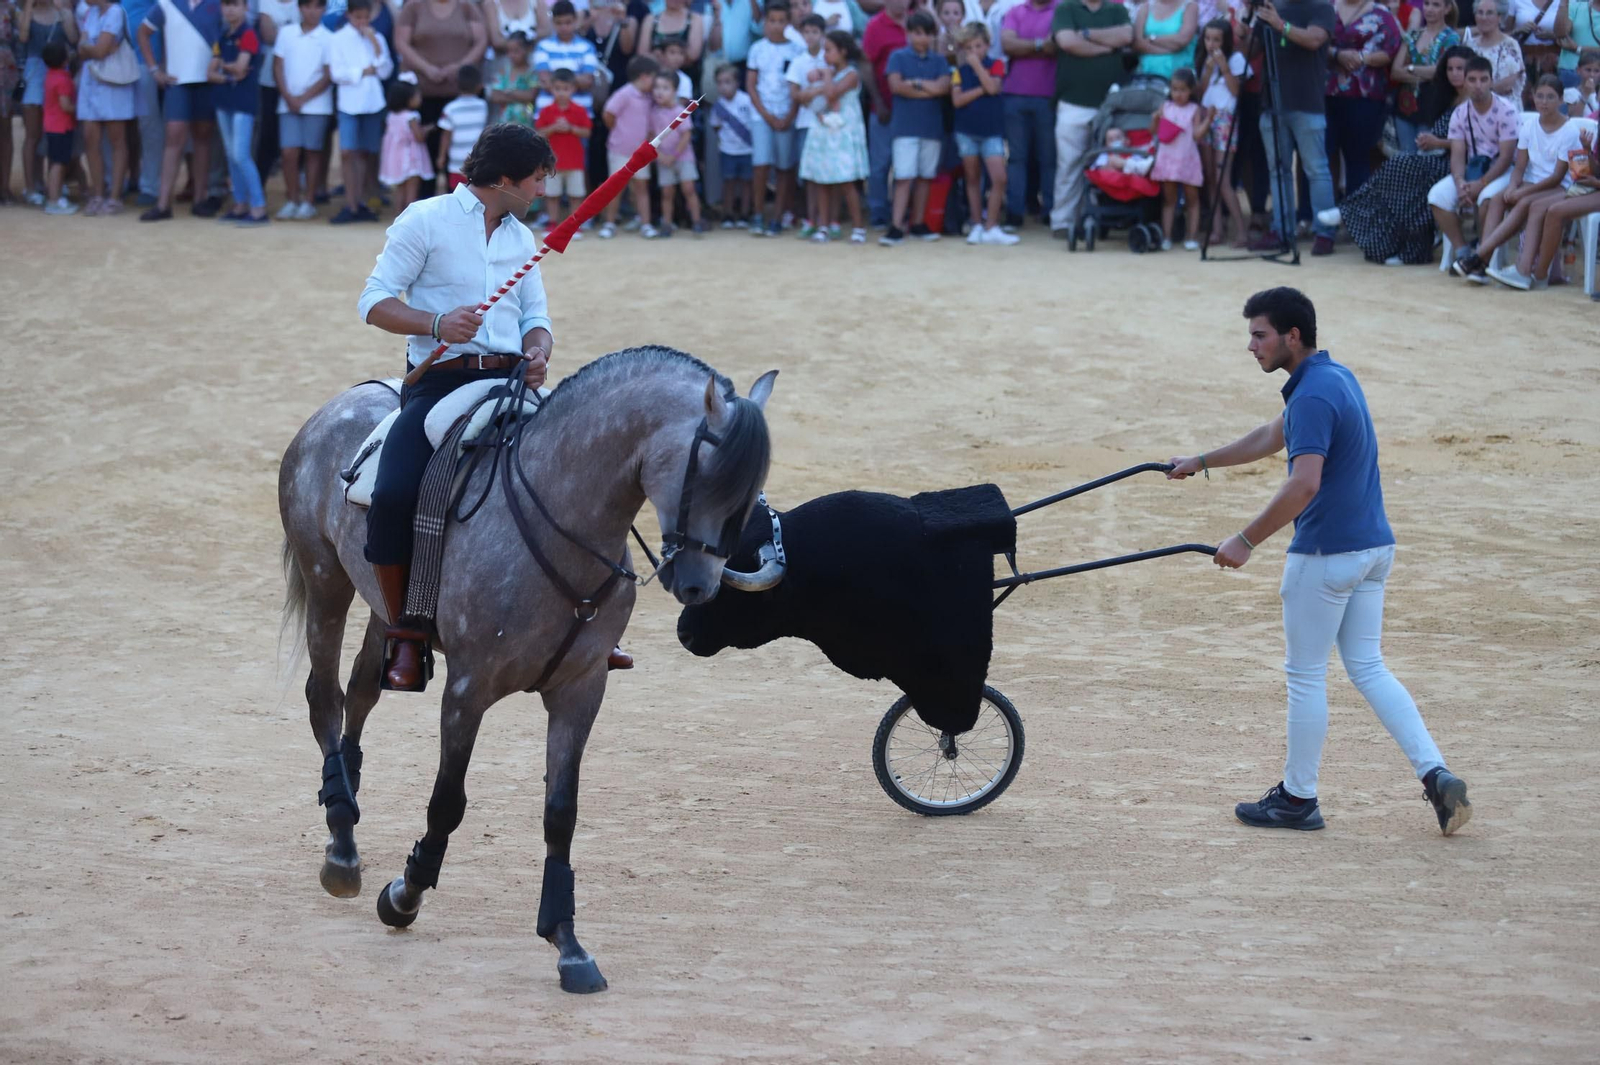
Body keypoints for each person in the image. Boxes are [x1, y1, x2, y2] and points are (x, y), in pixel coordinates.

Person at [1165, 287, 1473, 837]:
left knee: (1306, 676)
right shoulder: (1333, 378)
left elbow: (1303, 484)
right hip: (1373, 551)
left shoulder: (1310, 396)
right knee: (1369, 668)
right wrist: (1202, 461)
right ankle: (1436, 775)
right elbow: (1269, 436)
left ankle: (1297, 799)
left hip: (1326, 558)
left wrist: (1245, 540)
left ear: (1293, 336)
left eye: (1259, 335)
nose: (1251, 346)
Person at [357, 124, 560, 691]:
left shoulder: (523, 238)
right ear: (504, 180)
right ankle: (404, 634)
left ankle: (586, 619)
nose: (544, 189)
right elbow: (372, 301)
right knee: (394, 494)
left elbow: (535, 318)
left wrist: (538, 351)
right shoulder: (424, 220)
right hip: (438, 385)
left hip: (512, 386)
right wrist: (437, 324)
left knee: (580, 474)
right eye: (538, 178)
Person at [1322, 44, 1473, 261]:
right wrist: (1430, 142)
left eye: (1460, 68)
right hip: (1435, 158)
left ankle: (1347, 212)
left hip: (1459, 163)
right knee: (1403, 184)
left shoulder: (1474, 100)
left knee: (1402, 164)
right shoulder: (1447, 97)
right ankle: (1408, 249)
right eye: (1450, 69)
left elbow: (1477, 142)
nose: (1455, 74)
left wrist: (1437, 142)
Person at [1456, 75, 1583, 286]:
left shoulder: (1569, 131)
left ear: (1561, 101)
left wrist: (1523, 192)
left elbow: (1557, 177)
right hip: (1532, 183)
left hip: (1560, 186)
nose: (1544, 102)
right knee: (1498, 199)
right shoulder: (1529, 126)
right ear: (1532, 97)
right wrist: (1514, 185)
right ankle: (1483, 264)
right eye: (1540, 96)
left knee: (1525, 202)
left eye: (1551, 97)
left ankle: (1484, 257)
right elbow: (1520, 167)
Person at [1247, 0, 1338, 255]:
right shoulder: (1271, 6)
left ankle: (1324, 232)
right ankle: (1281, 230)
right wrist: (1248, 20)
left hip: (1306, 102)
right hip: (1271, 103)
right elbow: (1250, 51)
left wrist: (1279, 24)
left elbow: (1314, 40)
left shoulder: (1320, 7)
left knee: (1316, 169)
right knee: (1278, 170)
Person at [1047, 0, 1132, 238]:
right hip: (1073, 102)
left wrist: (1086, 34)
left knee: (1107, 164)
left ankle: (1095, 219)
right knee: (1069, 165)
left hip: (1110, 106)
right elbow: (1067, 42)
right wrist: (1106, 47)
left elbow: (1126, 36)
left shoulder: (1116, 9)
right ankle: (1063, 222)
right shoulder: (1066, 9)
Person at [1426, 53, 1519, 261]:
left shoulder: (1506, 110)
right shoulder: (1459, 113)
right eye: (1473, 80)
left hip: (1503, 171)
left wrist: (1481, 183)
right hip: (1474, 169)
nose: (1478, 85)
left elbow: (1506, 158)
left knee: (1487, 198)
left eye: (1484, 79)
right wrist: (1460, 182)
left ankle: (1484, 254)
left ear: (1491, 81)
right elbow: (1458, 154)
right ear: (1465, 82)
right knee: (1437, 197)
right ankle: (1462, 251)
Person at [138, 0, 223, 220]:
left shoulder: (218, 3)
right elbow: (143, 33)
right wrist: (154, 70)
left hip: (207, 81)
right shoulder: (166, 3)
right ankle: (163, 203)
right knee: (174, 137)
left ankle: (199, 199)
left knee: (202, 138)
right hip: (178, 81)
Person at [394, 0, 487, 197]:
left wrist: (460, 67)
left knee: (462, 154)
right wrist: (425, 67)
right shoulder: (414, 6)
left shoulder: (467, 6)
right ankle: (424, 206)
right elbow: (401, 42)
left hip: (460, 95)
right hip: (422, 95)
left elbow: (481, 41)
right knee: (424, 153)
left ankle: (463, 206)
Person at [1321, 0, 1401, 208]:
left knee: (1358, 157)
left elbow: (1391, 49)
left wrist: (1362, 58)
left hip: (1365, 96)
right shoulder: (1327, 7)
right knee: (1325, 154)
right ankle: (1325, 214)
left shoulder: (1381, 14)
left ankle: (1356, 217)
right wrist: (1337, 54)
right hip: (1326, 93)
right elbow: (1316, 42)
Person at [797, 28, 870, 241]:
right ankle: (824, 227)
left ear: (843, 51)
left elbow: (831, 93)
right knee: (822, 181)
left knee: (846, 182)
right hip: (826, 133)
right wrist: (819, 84)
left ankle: (858, 229)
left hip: (844, 133)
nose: (825, 55)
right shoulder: (832, 74)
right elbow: (805, 96)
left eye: (828, 50)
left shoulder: (851, 74)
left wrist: (825, 77)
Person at [951, 23, 1017, 242]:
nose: (974, 52)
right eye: (969, 48)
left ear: (987, 45)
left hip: (991, 131)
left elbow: (993, 87)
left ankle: (992, 226)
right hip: (966, 131)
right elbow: (957, 100)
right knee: (972, 178)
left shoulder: (997, 64)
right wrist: (981, 89)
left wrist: (978, 69)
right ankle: (976, 224)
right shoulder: (958, 72)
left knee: (999, 178)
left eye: (978, 46)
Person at [330, 0, 391, 223]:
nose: (362, 22)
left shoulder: (377, 37)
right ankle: (350, 202)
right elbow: (337, 73)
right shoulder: (337, 39)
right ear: (349, 16)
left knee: (365, 152)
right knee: (347, 152)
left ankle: (360, 202)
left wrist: (374, 41)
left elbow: (385, 70)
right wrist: (364, 71)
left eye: (366, 18)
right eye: (358, 18)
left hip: (372, 101)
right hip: (349, 102)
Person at [269, 0, 332, 220]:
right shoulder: (286, 33)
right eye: (307, 6)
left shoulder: (329, 38)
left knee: (313, 152)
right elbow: (277, 65)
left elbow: (328, 74)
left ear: (324, 9)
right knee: (289, 153)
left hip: (317, 105)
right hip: (288, 103)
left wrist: (302, 98)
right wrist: (288, 96)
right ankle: (292, 199)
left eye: (317, 6)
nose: (312, 11)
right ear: (300, 8)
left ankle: (309, 201)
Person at [999, 0, 1058, 230]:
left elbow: (1056, 46)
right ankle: (1015, 212)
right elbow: (1007, 45)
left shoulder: (1061, 10)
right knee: (1017, 158)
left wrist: (1025, 45)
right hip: (1014, 94)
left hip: (1048, 95)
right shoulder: (1015, 11)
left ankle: (1050, 211)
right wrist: (1040, 45)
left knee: (1048, 159)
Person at [75, 0, 137, 215]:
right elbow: (88, 48)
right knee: (90, 139)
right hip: (91, 81)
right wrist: (95, 49)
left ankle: (114, 197)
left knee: (117, 139)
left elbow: (96, 50)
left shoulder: (116, 12)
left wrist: (91, 49)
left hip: (112, 83)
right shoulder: (90, 13)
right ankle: (98, 195)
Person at [209, 0, 268, 223]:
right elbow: (210, 73)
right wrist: (229, 72)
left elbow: (240, 68)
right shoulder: (223, 35)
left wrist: (222, 67)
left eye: (235, 5)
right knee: (232, 156)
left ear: (245, 8)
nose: (230, 9)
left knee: (240, 155)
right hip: (226, 100)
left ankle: (258, 206)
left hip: (243, 102)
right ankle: (241, 204)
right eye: (226, 5)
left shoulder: (249, 34)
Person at [747, 0, 802, 235]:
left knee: (784, 168)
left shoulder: (796, 50)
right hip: (762, 115)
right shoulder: (757, 49)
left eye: (781, 21)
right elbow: (751, 86)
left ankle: (777, 217)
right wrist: (767, 115)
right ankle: (758, 214)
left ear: (788, 23)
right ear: (765, 22)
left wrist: (789, 115)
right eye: (772, 21)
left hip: (787, 115)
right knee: (761, 164)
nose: (776, 26)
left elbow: (798, 87)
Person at [18, 0, 79, 206]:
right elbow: (24, 37)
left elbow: (73, 39)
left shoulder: (64, 11)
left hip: (59, 73)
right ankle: (31, 186)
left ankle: (54, 184)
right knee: (33, 135)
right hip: (36, 74)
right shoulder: (26, 11)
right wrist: (28, 6)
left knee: (56, 132)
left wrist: (63, 12)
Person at [1522, 125, 1600, 281]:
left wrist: (1597, 184)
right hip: (1594, 188)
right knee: (1545, 208)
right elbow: (1596, 171)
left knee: (1556, 211)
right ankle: (1538, 271)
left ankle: (1540, 275)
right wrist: (1586, 150)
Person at [1197, 17, 1246, 244]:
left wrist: (1223, 66)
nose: (1211, 44)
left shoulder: (1236, 59)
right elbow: (1199, 94)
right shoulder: (1203, 60)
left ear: (1226, 41)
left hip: (1225, 119)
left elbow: (1237, 91)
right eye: (1207, 38)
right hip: (1207, 116)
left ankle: (1241, 230)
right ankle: (1216, 230)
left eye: (1217, 39)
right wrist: (1207, 71)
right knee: (1210, 177)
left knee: (1222, 178)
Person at [599, 53, 658, 236]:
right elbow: (608, 113)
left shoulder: (649, 97)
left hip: (640, 152)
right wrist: (619, 133)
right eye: (653, 78)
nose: (655, 83)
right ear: (644, 76)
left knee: (641, 187)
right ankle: (609, 224)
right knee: (615, 188)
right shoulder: (624, 93)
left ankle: (645, 224)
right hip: (619, 149)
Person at [863, 0, 910, 227]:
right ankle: (878, 211)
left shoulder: (917, 21)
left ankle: (904, 211)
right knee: (880, 164)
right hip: (885, 106)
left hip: (914, 109)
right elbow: (866, 65)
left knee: (907, 163)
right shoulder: (875, 26)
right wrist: (878, 101)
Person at [1390, 0, 1460, 151]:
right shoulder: (1413, 35)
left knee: (1426, 162)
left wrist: (1409, 68)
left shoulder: (1451, 37)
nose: (1429, 9)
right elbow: (1395, 71)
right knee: (1405, 160)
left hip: (1432, 109)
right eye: (1427, 4)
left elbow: (1440, 71)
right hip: (1405, 108)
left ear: (1447, 9)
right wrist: (1426, 74)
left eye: (1436, 5)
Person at [1150, 66, 1205, 248]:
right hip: (1168, 160)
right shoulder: (1165, 107)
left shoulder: (1194, 109)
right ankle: (1166, 237)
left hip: (1188, 160)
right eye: (1175, 90)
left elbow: (1197, 135)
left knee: (1192, 200)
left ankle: (1192, 237)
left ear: (1191, 90)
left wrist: (1209, 120)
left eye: (1183, 90)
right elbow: (1153, 132)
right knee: (1169, 201)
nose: (1178, 94)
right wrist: (1156, 119)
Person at [787, 12, 829, 236]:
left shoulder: (829, 58)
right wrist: (814, 91)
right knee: (810, 175)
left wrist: (809, 92)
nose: (810, 36)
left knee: (829, 173)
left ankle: (828, 219)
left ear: (822, 34)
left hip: (829, 123)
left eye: (815, 32)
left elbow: (834, 90)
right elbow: (795, 95)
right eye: (807, 32)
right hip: (806, 123)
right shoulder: (798, 61)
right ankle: (811, 218)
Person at [536, 68, 593, 227]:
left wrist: (570, 128)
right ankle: (552, 223)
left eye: (566, 89)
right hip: (553, 162)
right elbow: (539, 133)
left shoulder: (579, 110)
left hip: (575, 161)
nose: (561, 93)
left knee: (576, 194)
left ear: (573, 89)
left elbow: (587, 132)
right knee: (552, 195)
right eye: (557, 89)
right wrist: (554, 127)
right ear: (551, 89)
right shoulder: (546, 111)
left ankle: (574, 224)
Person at [648, 69, 703, 231]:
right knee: (667, 192)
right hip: (663, 158)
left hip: (683, 157)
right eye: (657, 87)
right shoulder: (653, 112)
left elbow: (686, 135)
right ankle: (667, 223)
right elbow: (651, 136)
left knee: (689, 189)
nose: (659, 92)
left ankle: (697, 221)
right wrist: (660, 156)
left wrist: (675, 154)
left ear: (675, 91)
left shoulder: (680, 111)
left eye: (665, 88)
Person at [712, 60, 758, 225]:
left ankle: (745, 213)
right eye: (720, 83)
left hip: (747, 149)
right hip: (727, 150)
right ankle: (728, 214)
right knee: (728, 182)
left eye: (728, 82)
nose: (724, 86)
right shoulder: (718, 106)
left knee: (747, 182)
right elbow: (716, 126)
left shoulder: (747, 100)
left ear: (737, 83)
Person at [533, 0, 601, 110]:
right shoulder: (542, 46)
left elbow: (587, 81)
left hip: (581, 110)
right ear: (553, 22)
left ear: (575, 20)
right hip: (547, 111)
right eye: (559, 23)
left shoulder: (587, 47)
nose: (563, 27)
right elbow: (545, 81)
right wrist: (575, 80)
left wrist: (556, 79)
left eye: (568, 22)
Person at [379, 77, 433, 211]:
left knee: (400, 189)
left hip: (397, 158)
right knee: (412, 190)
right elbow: (419, 137)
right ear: (408, 99)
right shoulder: (412, 116)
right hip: (411, 158)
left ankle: (398, 216)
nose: (420, 98)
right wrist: (427, 130)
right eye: (417, 95)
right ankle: (409, 218)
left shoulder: (391, 116)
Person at [437, 63, 489, 190]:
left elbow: (446, 136)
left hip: (456, 164)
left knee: (456, 197)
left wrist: (441, 156)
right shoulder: (483, 106)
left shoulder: (450, 109)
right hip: (478, 161)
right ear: (479, 86)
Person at [1462, 0, 1523, 105]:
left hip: (1505, 108)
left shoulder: (1510, 45)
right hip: (1475, 107)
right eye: (1480, 12)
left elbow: (1508, 83)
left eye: (1489, 13)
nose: (1484, 18)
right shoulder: (1469, 45)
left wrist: (1479, 91)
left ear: (1499, 17)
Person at [40, 37, 76, 213]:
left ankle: (55, 197)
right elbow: (65, 105)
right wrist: (79, 109)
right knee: (59, 164)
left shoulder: (50, 76)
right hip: (61, 127)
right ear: (64, 60)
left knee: (57, 162)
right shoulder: (62, 79)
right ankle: (53, 201)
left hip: (52, 126)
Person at [1133, 0, 1199, 81]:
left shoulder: (1190, 6)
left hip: (1179, 79)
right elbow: (1138, 43)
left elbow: (1183, 40)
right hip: (1146, 74)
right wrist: (1170, 48)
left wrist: (1152, 38)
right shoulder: (1145, 7)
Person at [491, 30, 537, 125]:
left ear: (527, 49)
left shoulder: (532, 72)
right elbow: (495, 96)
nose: (512, 55)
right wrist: (521, 97)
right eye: (509, 51)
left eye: (516, 51)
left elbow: (530, 96)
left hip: (526, 122)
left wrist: (508, 92)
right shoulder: (503, 72)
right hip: (505, 122)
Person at [1555, 0, 1600, 89]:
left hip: (1597, 74)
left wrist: (1578, 48)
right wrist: (1564, 3)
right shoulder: (1576, 5)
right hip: (1570, 72)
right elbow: (1560, 33)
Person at [1563, 47, 1600, 114]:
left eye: (1596, 71)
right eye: (1588, 70)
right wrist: (1585, 95)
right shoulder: (1570, 93)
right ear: (1578, 70)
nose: (1592, 74)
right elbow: (1573, 117)